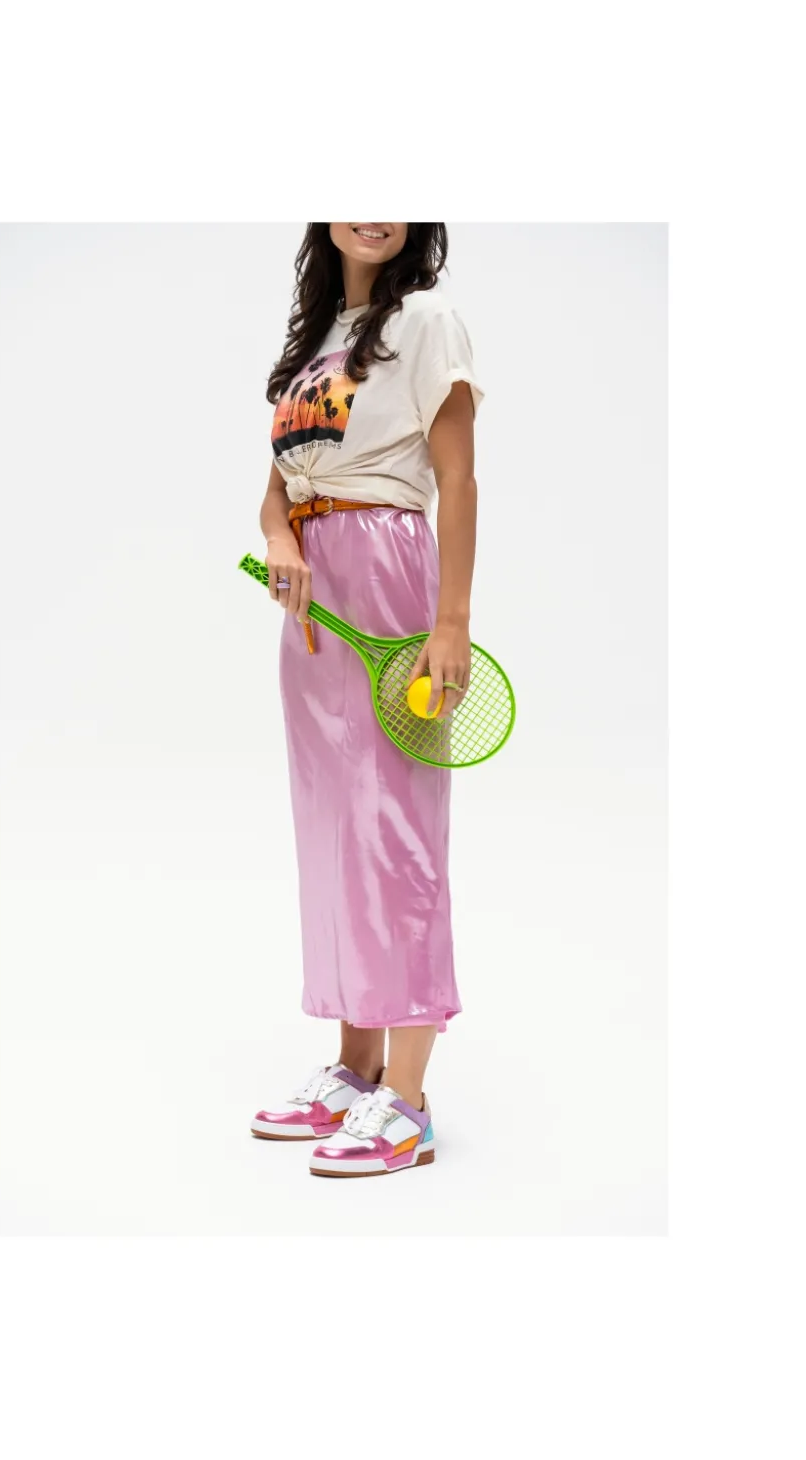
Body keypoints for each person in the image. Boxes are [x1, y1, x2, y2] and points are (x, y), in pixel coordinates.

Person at [249, 222, 484, 1177]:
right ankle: (357, 1068)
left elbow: (458, 476)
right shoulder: (315, 342)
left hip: (388, 569)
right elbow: (276, 487)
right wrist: (282, 538)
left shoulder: (426, 319)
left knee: (396, 830)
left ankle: (410, 1103)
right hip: (313, 602)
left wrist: (451, 619)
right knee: (334, 829)